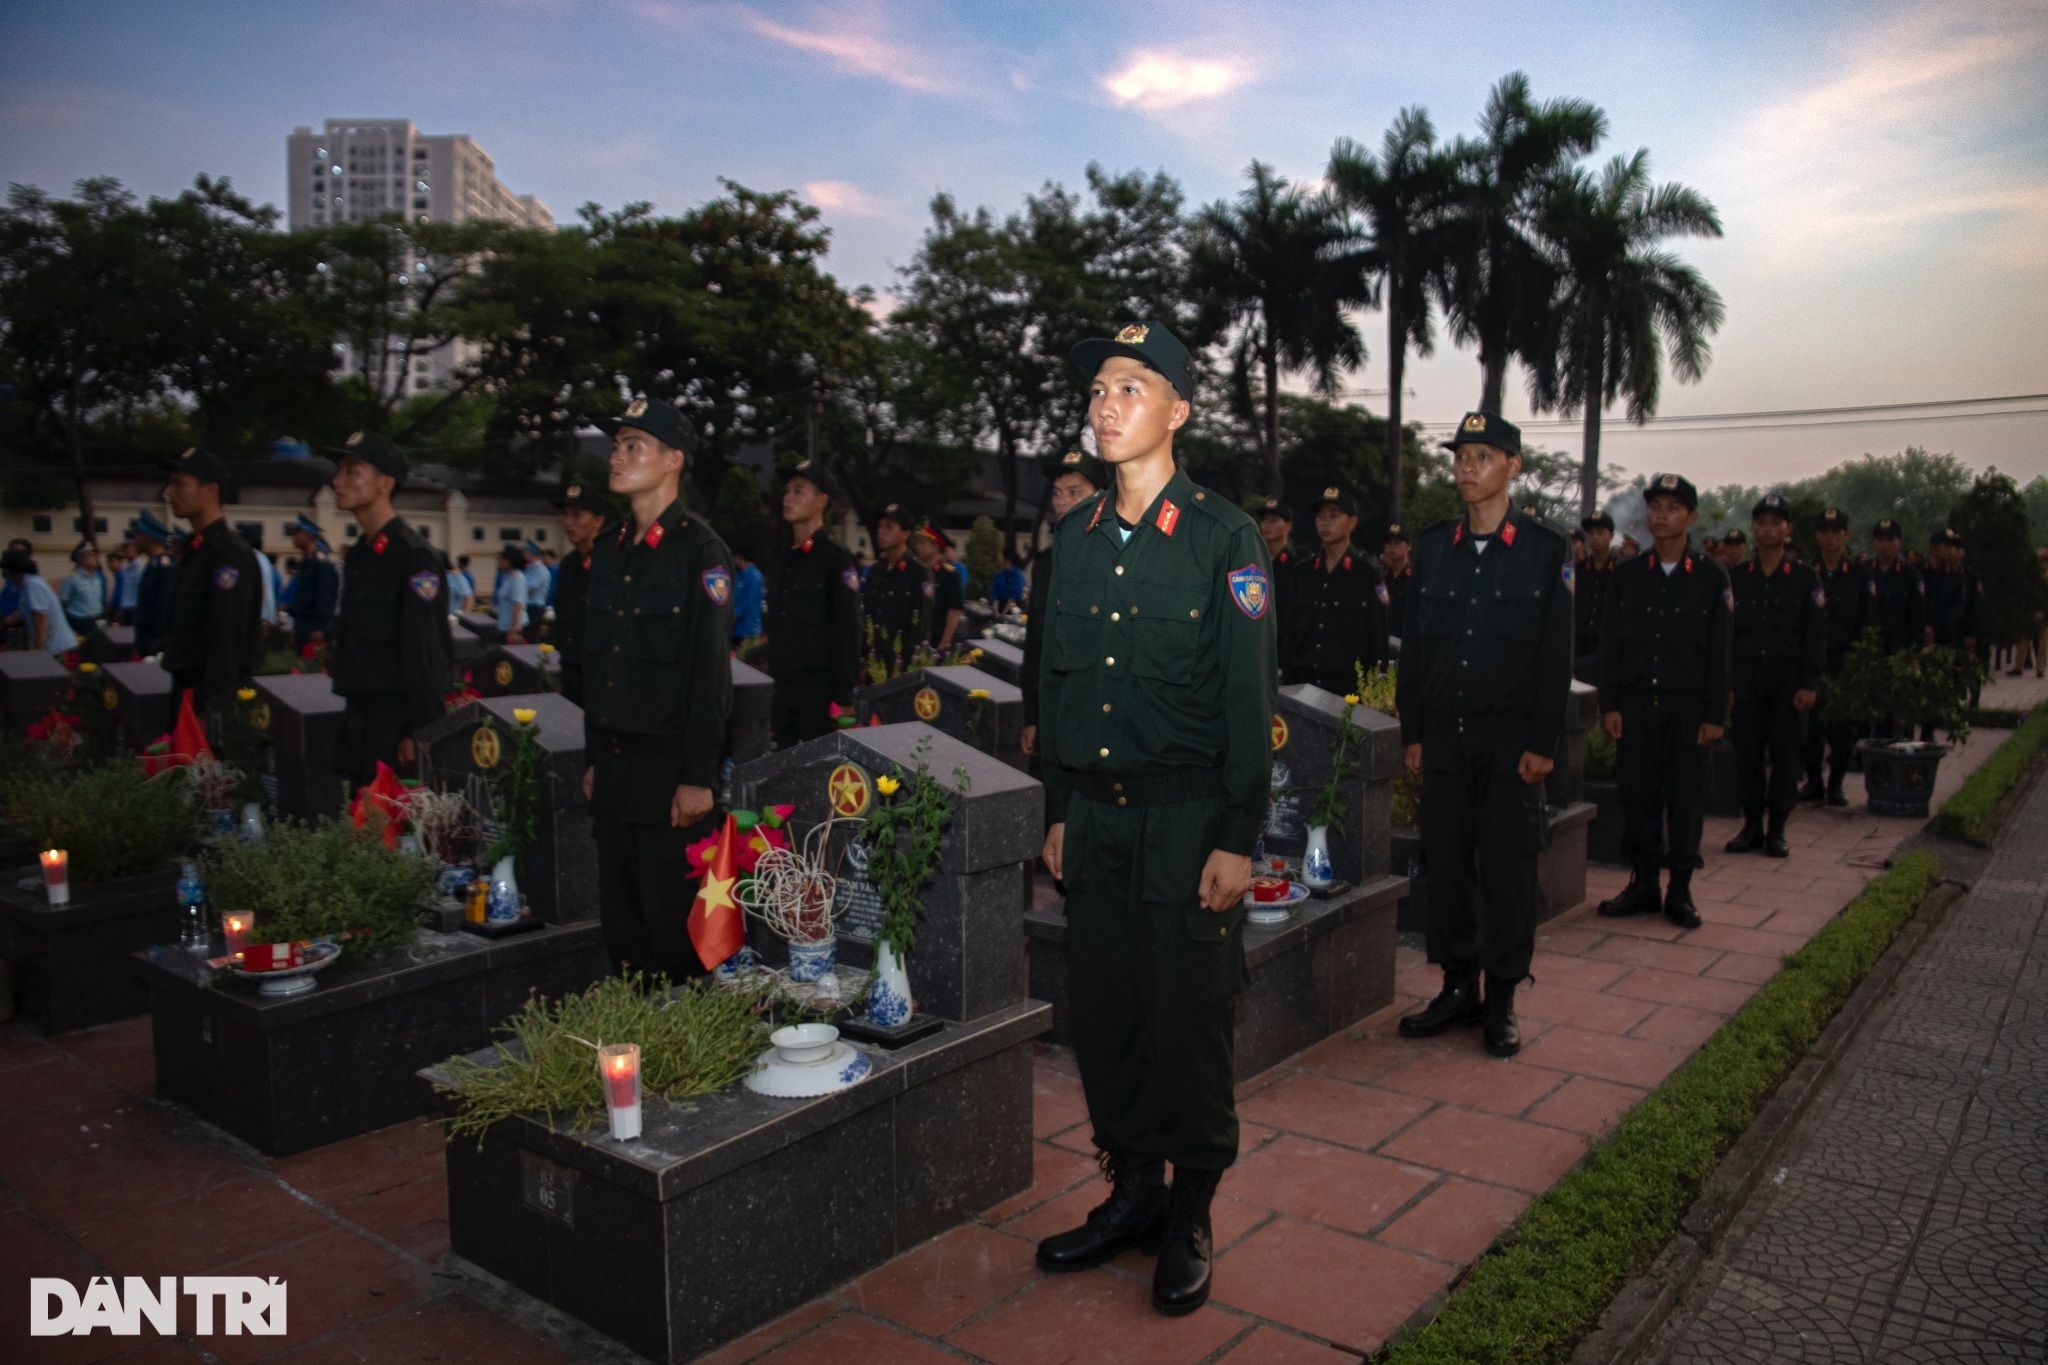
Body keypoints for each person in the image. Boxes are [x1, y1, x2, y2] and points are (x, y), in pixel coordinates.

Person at [1034, 321, 1273, 1317]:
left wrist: (1234, 836)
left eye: (1127, 388)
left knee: (1187, 1020)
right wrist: (1055, 811)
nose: (1102, 404)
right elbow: (1050, 688)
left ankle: (1190, 1212)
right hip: (1091, 825)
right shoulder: (1071, 541)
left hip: (1185, 826)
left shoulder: (1224, 537)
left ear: (1176, 410)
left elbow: (1243, 701)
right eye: (1094, 388)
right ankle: (1130, 1191)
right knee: (1108, 1017)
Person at [1395, 411, 1571, 1057]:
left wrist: (1544, 741)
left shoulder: (1545, 549)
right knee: (1444, 865)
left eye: (1482, 456)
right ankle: (1456, 985)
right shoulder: (1434, 545)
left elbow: (1555, 654)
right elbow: (1414, 649)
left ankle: (1501, 998)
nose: (1466, 467)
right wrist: (1413, 731)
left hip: (1508, 741)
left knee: (1505, 870)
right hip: (1443, 736)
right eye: (1461, 456)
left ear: (1513, 466)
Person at [580, 396, 734, 981]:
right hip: (615, 771)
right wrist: (594, 758)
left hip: (669, 775)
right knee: (621, 931)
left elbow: (709, 674)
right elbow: (600, 666)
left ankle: (688, 1058)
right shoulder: (611, 549)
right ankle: (635, 1058)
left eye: (631, 446)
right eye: (616, 446)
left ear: (672, 460)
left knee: (672, 931)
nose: (615, 458)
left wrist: (698, 776)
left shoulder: (700, 551)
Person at [1593, 473, 1732, 929]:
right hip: (1637, 704)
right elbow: (1610, 644)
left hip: (1688, 708)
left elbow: (1719, 650)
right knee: (1638, 794)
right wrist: (1609, 704)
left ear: (1691, 516)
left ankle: (1681, 890)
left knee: (1686, 798)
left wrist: (1715, 714)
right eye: (1655, 507)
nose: (1662, 516)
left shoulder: (1711, 577)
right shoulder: (1628, 574)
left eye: (1673, 508)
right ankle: (1645, 882)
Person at [324, 432, 453, 786]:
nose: (337, 481)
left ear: (384, 483)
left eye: (352, 471)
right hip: (358, 719)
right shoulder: (361, 555)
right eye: (338, 471)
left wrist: (421, 731)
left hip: (395, 728)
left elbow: (426, 650)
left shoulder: (412, 556)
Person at [1724, 494, 1824, 857]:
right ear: (1753, 528)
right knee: (1747, 753)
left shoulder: (1804, 577)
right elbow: (1725, 637)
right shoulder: (1735, 578)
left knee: (1785, 757)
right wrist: (1728, 685)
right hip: (1747, 678)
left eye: (1776, 522)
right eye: (1762, 522)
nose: (1768, 528)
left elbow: (1814, 634)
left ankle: (1777, 829)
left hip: (1787, 679)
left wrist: (1809, 683)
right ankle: (1751, 826)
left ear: (1788, 529)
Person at [764, 459, 861, 747]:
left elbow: (847, 628)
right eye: (787, 491)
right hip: (782, 687)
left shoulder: (835, 558)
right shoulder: (782, 557)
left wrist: (844, 695)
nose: (788, 498)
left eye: (798, 491)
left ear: (821, 501)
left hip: (817, 691)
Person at [1022, 449, 1109, 761]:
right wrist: (1032, 717)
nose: (1061, 502)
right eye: (1057, 493)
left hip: (1101, 719)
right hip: (1053, 713)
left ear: (1102, 499)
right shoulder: (1046, 565)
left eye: (1075, 493)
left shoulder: (1117, 561)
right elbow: (1035, 644)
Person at [158, 448, 262, 709]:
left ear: (210, 490)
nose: (170, 493)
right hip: (185, 689)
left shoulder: (227, 553)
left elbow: (227, 641)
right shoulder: (195, 549)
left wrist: (213, 710)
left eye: (180, 484)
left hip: (206, 694)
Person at [1280, 484, 1387, 692]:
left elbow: (1378, 640)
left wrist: (1375, 690)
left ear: (1352, 522)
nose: (1325, 523)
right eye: (1320, 516)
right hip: (1304, 684)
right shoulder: (1303, 572)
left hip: (1348, 690)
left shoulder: (1367, 572)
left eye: (1334, 515)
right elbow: (1290, 633)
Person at [1802, 508, 1869, 806]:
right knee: (1811, 727)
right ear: (1817, 535)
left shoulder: (1859, 575)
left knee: (1844, 729)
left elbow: (1868, 622)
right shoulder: (1807, 574)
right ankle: (1814, 781)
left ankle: (1836, 784)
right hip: (1814, 663)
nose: (1830, 538)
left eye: (1836, 531)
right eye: (1824, 531)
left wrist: (1862, 664)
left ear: (1846, 535)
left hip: (1846, 662)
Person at [551, 483, 609, 706]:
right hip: (571, 673)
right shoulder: (568, 565)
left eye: (577, 515)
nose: (568, 522)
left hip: (600, 678)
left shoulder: (610, 564)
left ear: (598, 520)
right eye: (565, 515)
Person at [860, 503, 933, 669]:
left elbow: (920, 629)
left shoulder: (919, 573)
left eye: (889, 527)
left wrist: (908, 668)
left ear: (905, 534)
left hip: (900, 666)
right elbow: (866, 619)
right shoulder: (875, 571)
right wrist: (862, 661)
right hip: (872, 664)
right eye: (880, 526)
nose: (881, 531)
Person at [2, 550, 79, 655]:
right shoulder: (27, 585)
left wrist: (38, 648)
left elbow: (40, 615)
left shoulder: (32, 584)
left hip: (59, 648)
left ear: (13, 570)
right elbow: (23, 612)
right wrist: (4, 621)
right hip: (56, 647)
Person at [1574, 512, 1621, 681]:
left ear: (1611, 535)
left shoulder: (1620, 570)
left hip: (1607, 645)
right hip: (1580, 644)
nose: (1595, 537)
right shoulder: (1577, 570)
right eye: (1591, 533)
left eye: (1600, 532)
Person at [286, 514, 340, 652]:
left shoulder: (320, 563)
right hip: (303, 625)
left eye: (297, 533)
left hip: (313, 628)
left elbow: (325, 596)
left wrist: (319, 627)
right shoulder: (305, 563)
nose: (294, 537)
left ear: (308, 535)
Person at [1252, 496, 1304, 638]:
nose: (1267, 525)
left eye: (1274, 520)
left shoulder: (1297, 567)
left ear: (1288, 526)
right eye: (1264, 520)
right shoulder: (1253, 566)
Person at [129, 512, 175, 656]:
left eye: (138, 535)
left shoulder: (164, 568)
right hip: (146, 641)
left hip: (155, 644)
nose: (135, 540)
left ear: (148, 537)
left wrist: (158, 647)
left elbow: (163, 609)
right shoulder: (152, 565)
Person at [916, 523, 963, 648]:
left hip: (937, 639)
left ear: (935, 546)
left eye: (922, 543)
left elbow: (954, 609)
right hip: (917, 638)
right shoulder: (919, 572)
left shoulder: (948, 574)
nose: (917, 547)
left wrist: (946, 639)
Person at [59, 543, 105, 641]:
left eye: (94, 554)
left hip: (97, 620)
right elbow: (63, 603)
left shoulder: (98, 577)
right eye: (91, 555)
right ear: (81, 558)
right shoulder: (72, 579)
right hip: (80, 622)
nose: (94, 558)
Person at [1380, 524, 1413, 647]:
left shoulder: (1415, 578)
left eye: (1398, 542)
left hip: (1405, 646)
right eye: (1389, 543)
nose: (1392, 547)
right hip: (1381, 644)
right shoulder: (1380, 577)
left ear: (1408, 546)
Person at [494, 546, 530, 643]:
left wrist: (513, 630)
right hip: (505, 626)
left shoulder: (517, 578)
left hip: (513, 629)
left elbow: (517, 605)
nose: (498, 561)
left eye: (501, 559)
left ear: (508, 561)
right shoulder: (508, 577)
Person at [730, 548, 765, 644]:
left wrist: (730, 620)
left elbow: (746, 602)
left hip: (748, 629)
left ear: (740, 558)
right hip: (737, 629)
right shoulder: (739, 575)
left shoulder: (753, 576)